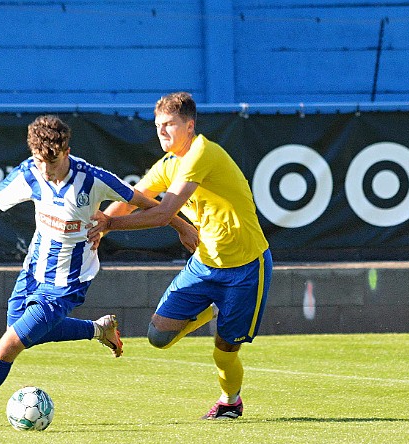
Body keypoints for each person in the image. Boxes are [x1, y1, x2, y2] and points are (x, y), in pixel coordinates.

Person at [0, 114, 196, 427]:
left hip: (67, 284)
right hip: (33, 274)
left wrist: (181, 226)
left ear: (66, 152)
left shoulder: (92, 179)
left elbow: (147, 202)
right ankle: (98, 329)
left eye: (51, 163)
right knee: (21, 331)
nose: (45, 170)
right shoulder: (31, 172)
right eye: (40, 161)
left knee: (8, 346)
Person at [88, 92, 272, 420]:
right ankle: (214, 310)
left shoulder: (201, 152)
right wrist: (97, 229)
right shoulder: (168, 164)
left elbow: (164, 212)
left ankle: (231, 401)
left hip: (245, 267)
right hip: (204, 264)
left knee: (225, 351)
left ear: (189, 126)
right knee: (158, 337)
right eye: (158, 125)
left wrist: (110, 223)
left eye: (169, 124)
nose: (161, 131)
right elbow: (131, 199)